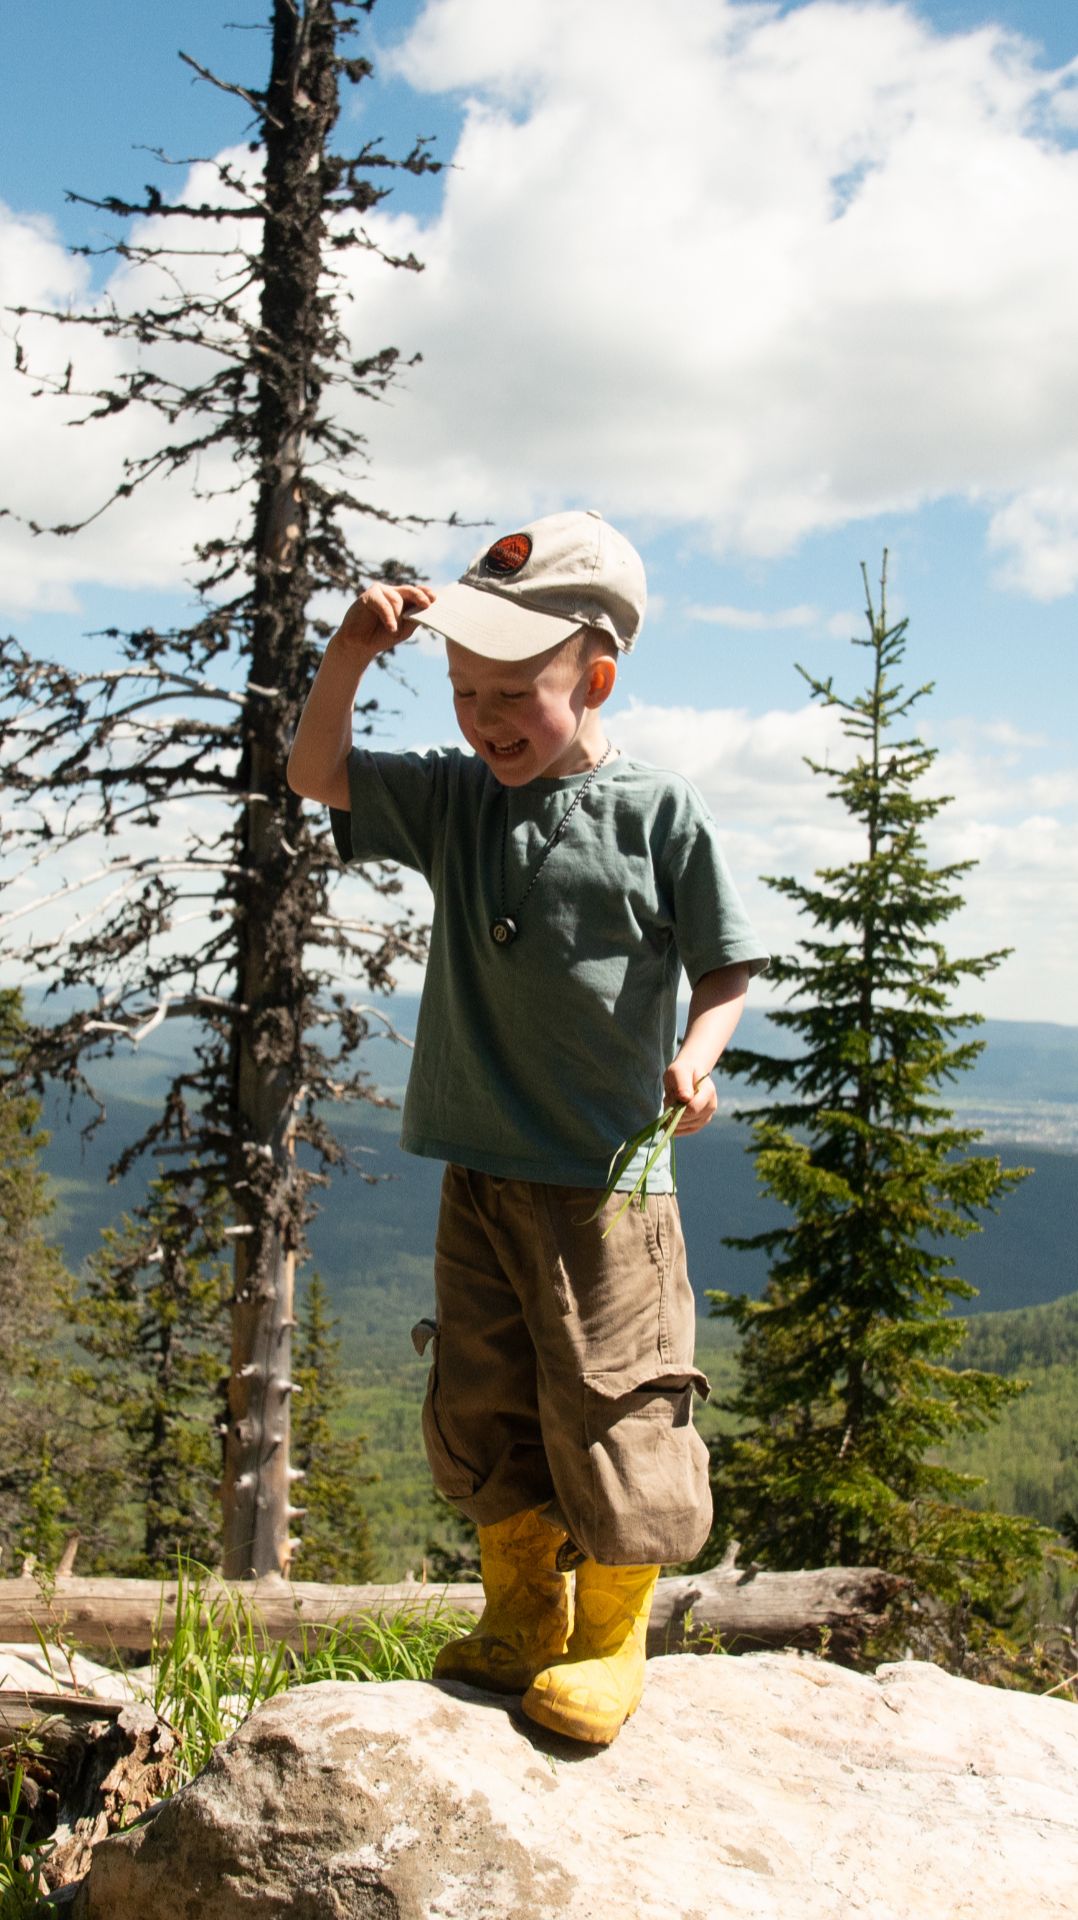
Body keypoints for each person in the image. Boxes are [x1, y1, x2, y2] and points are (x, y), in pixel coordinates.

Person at [287, 510, 768, 1745]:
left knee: (616, 1400)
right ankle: (521, 1613)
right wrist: (349, 653)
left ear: (593, 679)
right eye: (462, 690)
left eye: (512, 694)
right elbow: (316, 775)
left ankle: (611, 1638)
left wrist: (697, 1057)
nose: (482, 719)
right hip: (479, 1167)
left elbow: (725, 965)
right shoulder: (456, 801)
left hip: (608, 1179)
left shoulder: (657, 812)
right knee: (485, 1389)